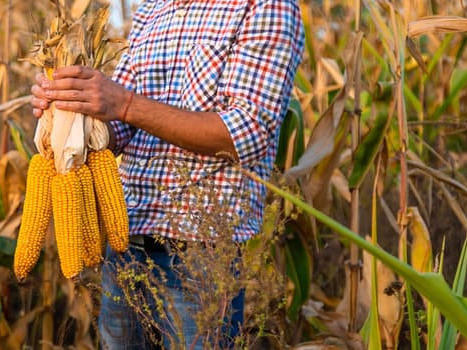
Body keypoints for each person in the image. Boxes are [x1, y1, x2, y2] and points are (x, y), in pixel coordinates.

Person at [30, 0, 304, 348]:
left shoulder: (265, 7)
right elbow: (119, 129)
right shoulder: (154, 9)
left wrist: (124, 103)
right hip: (126, 241)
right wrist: (69, 109)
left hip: (200, 254)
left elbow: (244, 135)